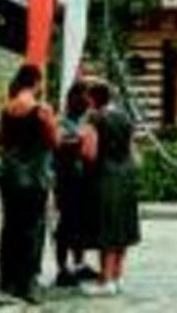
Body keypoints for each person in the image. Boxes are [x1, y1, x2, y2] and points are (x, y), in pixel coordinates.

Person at [0, 63, 58, 304]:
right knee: (32, 227)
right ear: (36, 82)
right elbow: (54, 142)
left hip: (9, 176)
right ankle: (26, 281)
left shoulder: (7, 108)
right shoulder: (42, 110)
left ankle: (6, 279)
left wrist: (13, 155)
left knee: (10, 225)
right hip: (35, 176)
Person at [77, 80, 141, 297]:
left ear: (93, 98)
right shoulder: (125, 117)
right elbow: (135, 155)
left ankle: (105, 280)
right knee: (121, 229)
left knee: (107, 229)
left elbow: (90, 152)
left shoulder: (94, 117)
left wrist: (78, 144)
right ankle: (117, 277)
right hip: (126, 177)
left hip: (104, 177)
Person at [52, 80, 96, 287]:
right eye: (85, 97)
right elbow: (57, 143)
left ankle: (79, 264)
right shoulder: (61, 120)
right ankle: (62, 268)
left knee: (82, 222)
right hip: (66, 179)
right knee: (66, 224)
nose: (88, 102)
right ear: (75, 99)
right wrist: (79, 140)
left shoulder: (86, 120)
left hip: (84, 180)